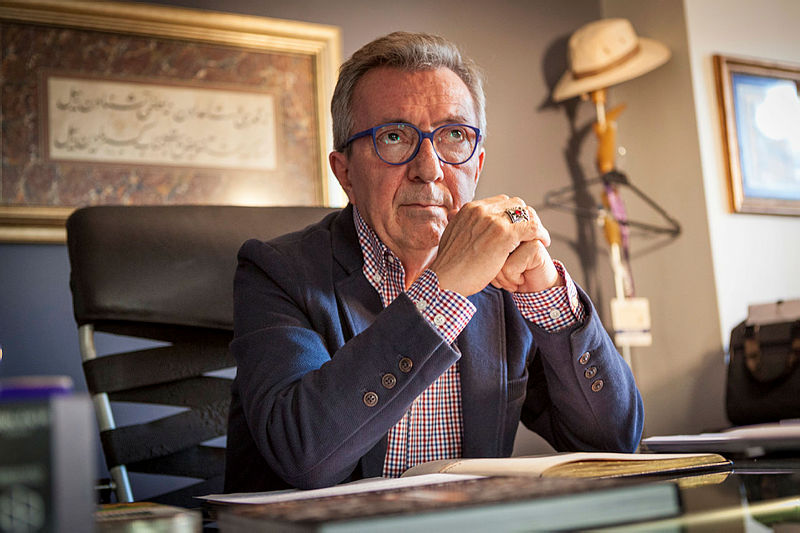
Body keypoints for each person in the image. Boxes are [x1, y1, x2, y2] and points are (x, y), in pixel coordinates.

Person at [224, 31, 643, 493]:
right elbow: (303, 456)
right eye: (394, 137)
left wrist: (548, 296)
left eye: (454, 136)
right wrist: (442, 291)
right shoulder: (275, 271)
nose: (429, 169)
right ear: (345, 174)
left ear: (477, 166)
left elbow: (613, 442)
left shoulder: (505, 277)